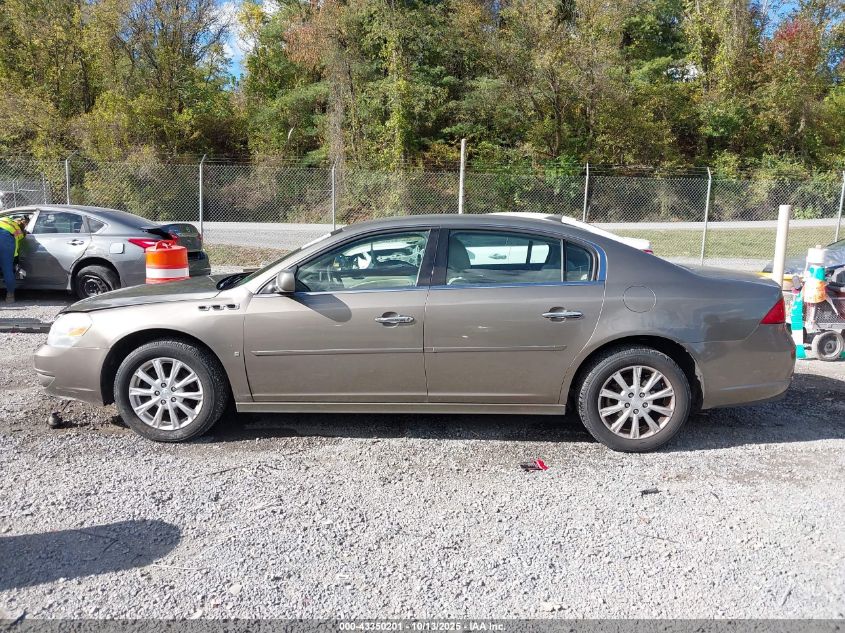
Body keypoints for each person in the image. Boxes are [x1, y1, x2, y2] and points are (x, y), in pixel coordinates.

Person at [0, 216, 29, 304]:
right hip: (5, 240)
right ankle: (10, 296)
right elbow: (19, 241)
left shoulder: (5, 219)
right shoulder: (19, 231)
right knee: (7, 270)